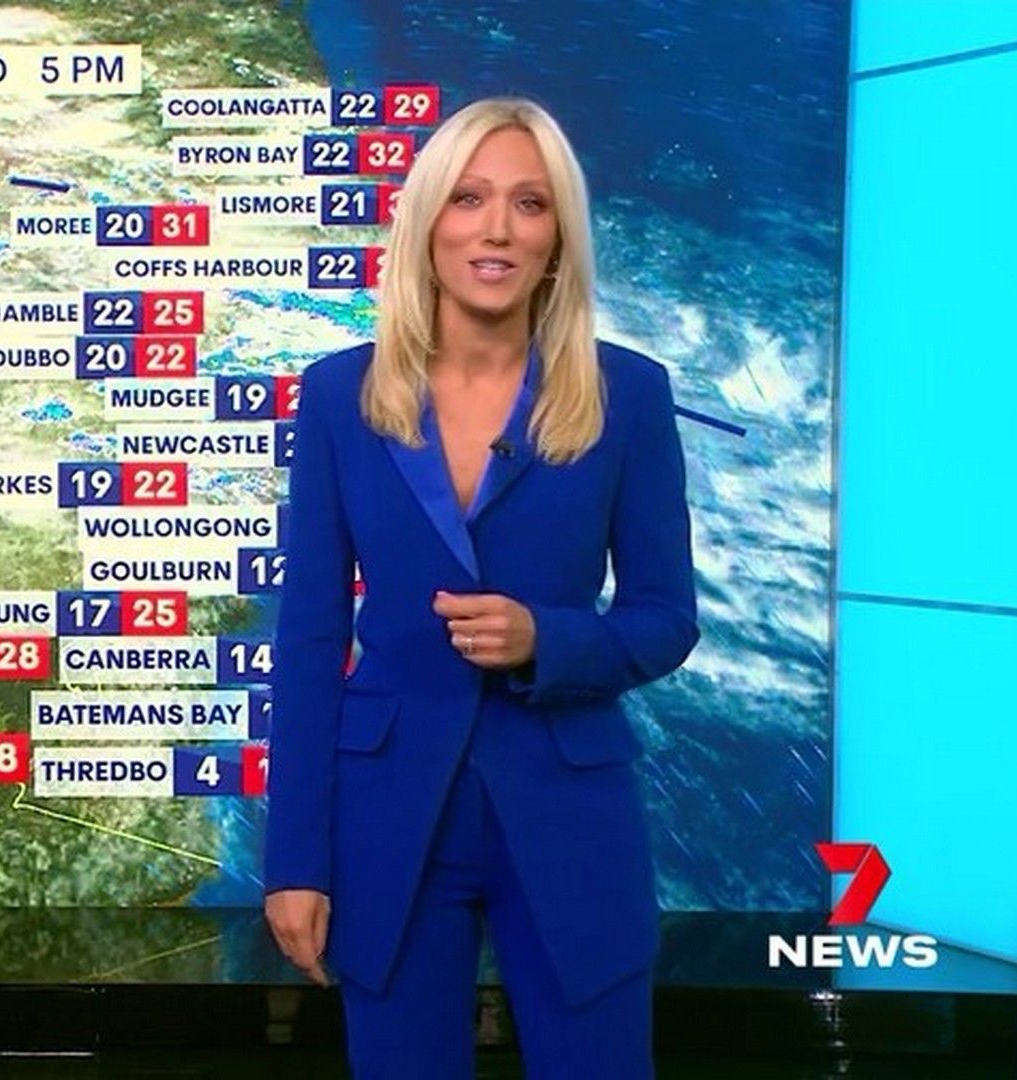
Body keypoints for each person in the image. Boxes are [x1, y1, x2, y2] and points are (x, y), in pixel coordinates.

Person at [261, 96, 700, 1079]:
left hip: (569, 810)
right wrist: (295, 860)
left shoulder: (628, 395)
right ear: (428, 221)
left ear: (559, 238)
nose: (496, 228)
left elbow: (666, 618)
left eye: (529, 204)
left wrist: (549, 639)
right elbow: (309, 639)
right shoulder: (338, 395)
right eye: (468, 198)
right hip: (388, 819)